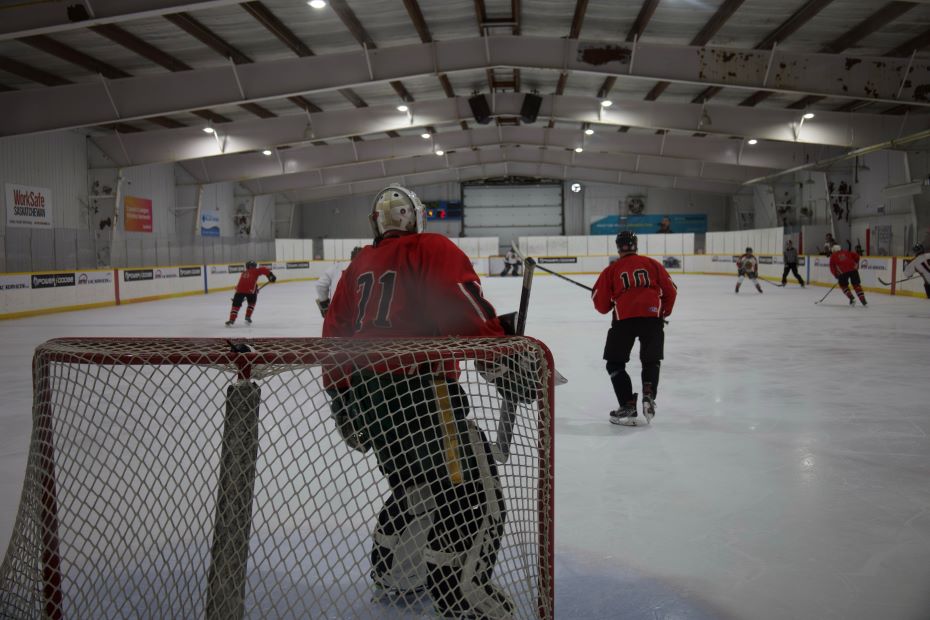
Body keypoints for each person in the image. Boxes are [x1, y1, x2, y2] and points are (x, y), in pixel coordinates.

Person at [322, 184, 525, 619]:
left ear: (376, 222)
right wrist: (500, 353)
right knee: (471, 494)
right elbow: (461, 308)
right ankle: (465, 600)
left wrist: (341, 397)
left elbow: (334, 333)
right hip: (425, 391)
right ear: (417, 218)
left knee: (415, 487)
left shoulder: (359, 262)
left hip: (369, 398)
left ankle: (396, 574)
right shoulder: (430, 247)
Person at [592, 230, 677, 426]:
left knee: (614, 363)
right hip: (652, 317)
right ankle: (649, 394)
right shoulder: (652, 264)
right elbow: (671, 290)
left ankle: (628, 404)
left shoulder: (612, 270)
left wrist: (613, 300)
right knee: (651, 360)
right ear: (635, 245)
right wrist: (663, 311)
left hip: (624, 320)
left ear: (618, 246)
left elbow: (601, 305)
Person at [225, 260, 275, 326]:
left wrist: (255, 289)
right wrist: (271, 276)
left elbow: (246, 282)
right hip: (250, 291)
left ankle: (231, 320)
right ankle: (248, 317)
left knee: (235, 305)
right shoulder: (255, 270)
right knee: (252, 303)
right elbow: (263, 269)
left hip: (239, 290)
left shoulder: (244, 272)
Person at [316, 246, 362, 316]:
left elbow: (320, 285)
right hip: (360, 313)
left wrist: (324, 304)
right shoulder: (369, 269)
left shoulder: (337, 266)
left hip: (336, 311)